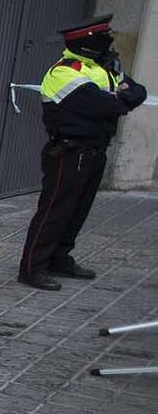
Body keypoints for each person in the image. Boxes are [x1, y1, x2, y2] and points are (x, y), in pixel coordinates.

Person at [18, 15, 147, 290]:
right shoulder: (65, 71)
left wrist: (120, 96)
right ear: (88, 43)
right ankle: (32, 268)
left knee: (78, 211)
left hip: (95, 150)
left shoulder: (103, 69)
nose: (109, 42)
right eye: (104, 38)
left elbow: (139, 92)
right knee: (55, 211)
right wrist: (119, 97)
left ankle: (59, 258)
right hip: (69, 152)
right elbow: (109, 107)